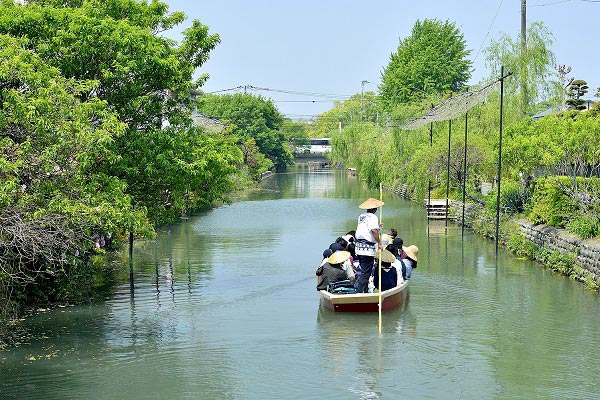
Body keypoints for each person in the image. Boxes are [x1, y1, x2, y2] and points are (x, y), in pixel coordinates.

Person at [354, 197, 384, 293]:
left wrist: (377, 227)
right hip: (367, 249)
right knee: (366, 273)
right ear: (374, 209)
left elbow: (366, 229)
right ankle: (359, 292)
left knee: (364, 270)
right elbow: (373, 231)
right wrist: (379, 243)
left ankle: (365, 291)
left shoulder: (361, 216)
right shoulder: (373, 217)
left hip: (358, 248)